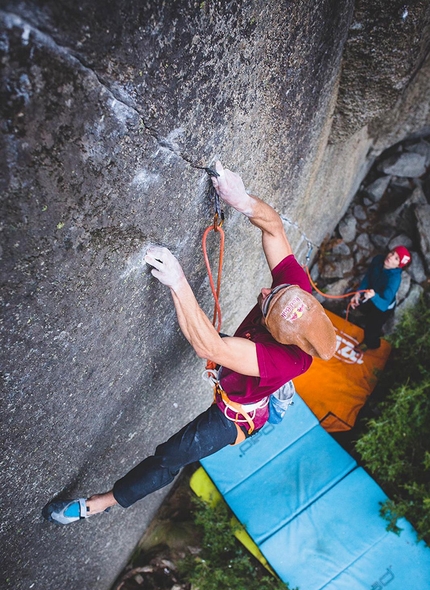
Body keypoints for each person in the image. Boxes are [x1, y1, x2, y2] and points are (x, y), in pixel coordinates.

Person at [43, 161, 336, 525]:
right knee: (223, 347)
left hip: (239, 410)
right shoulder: (296, 295)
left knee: (171, 457)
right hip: (247, 358)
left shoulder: (284, 359)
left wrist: (178, 282)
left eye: (266, 301)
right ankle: (275, 392)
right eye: (272, 291)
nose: (265, 290)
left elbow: (211, 349)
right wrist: (243, 200)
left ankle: (95, 505)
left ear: (281, 336)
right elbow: (273, 229)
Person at [350, 246, 411, 352]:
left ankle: (371, 344)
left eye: (396, 259)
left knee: (371, 330)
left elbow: (384, 304)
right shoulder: (378, 259)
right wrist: (358, 293)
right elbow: (368, 277)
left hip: (383, 307)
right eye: (392, 253)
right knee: (361, 307)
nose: (391, 257)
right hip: (372, 295)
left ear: (399, 265)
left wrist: (373, 296)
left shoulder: (394, 280)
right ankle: (364, 315)